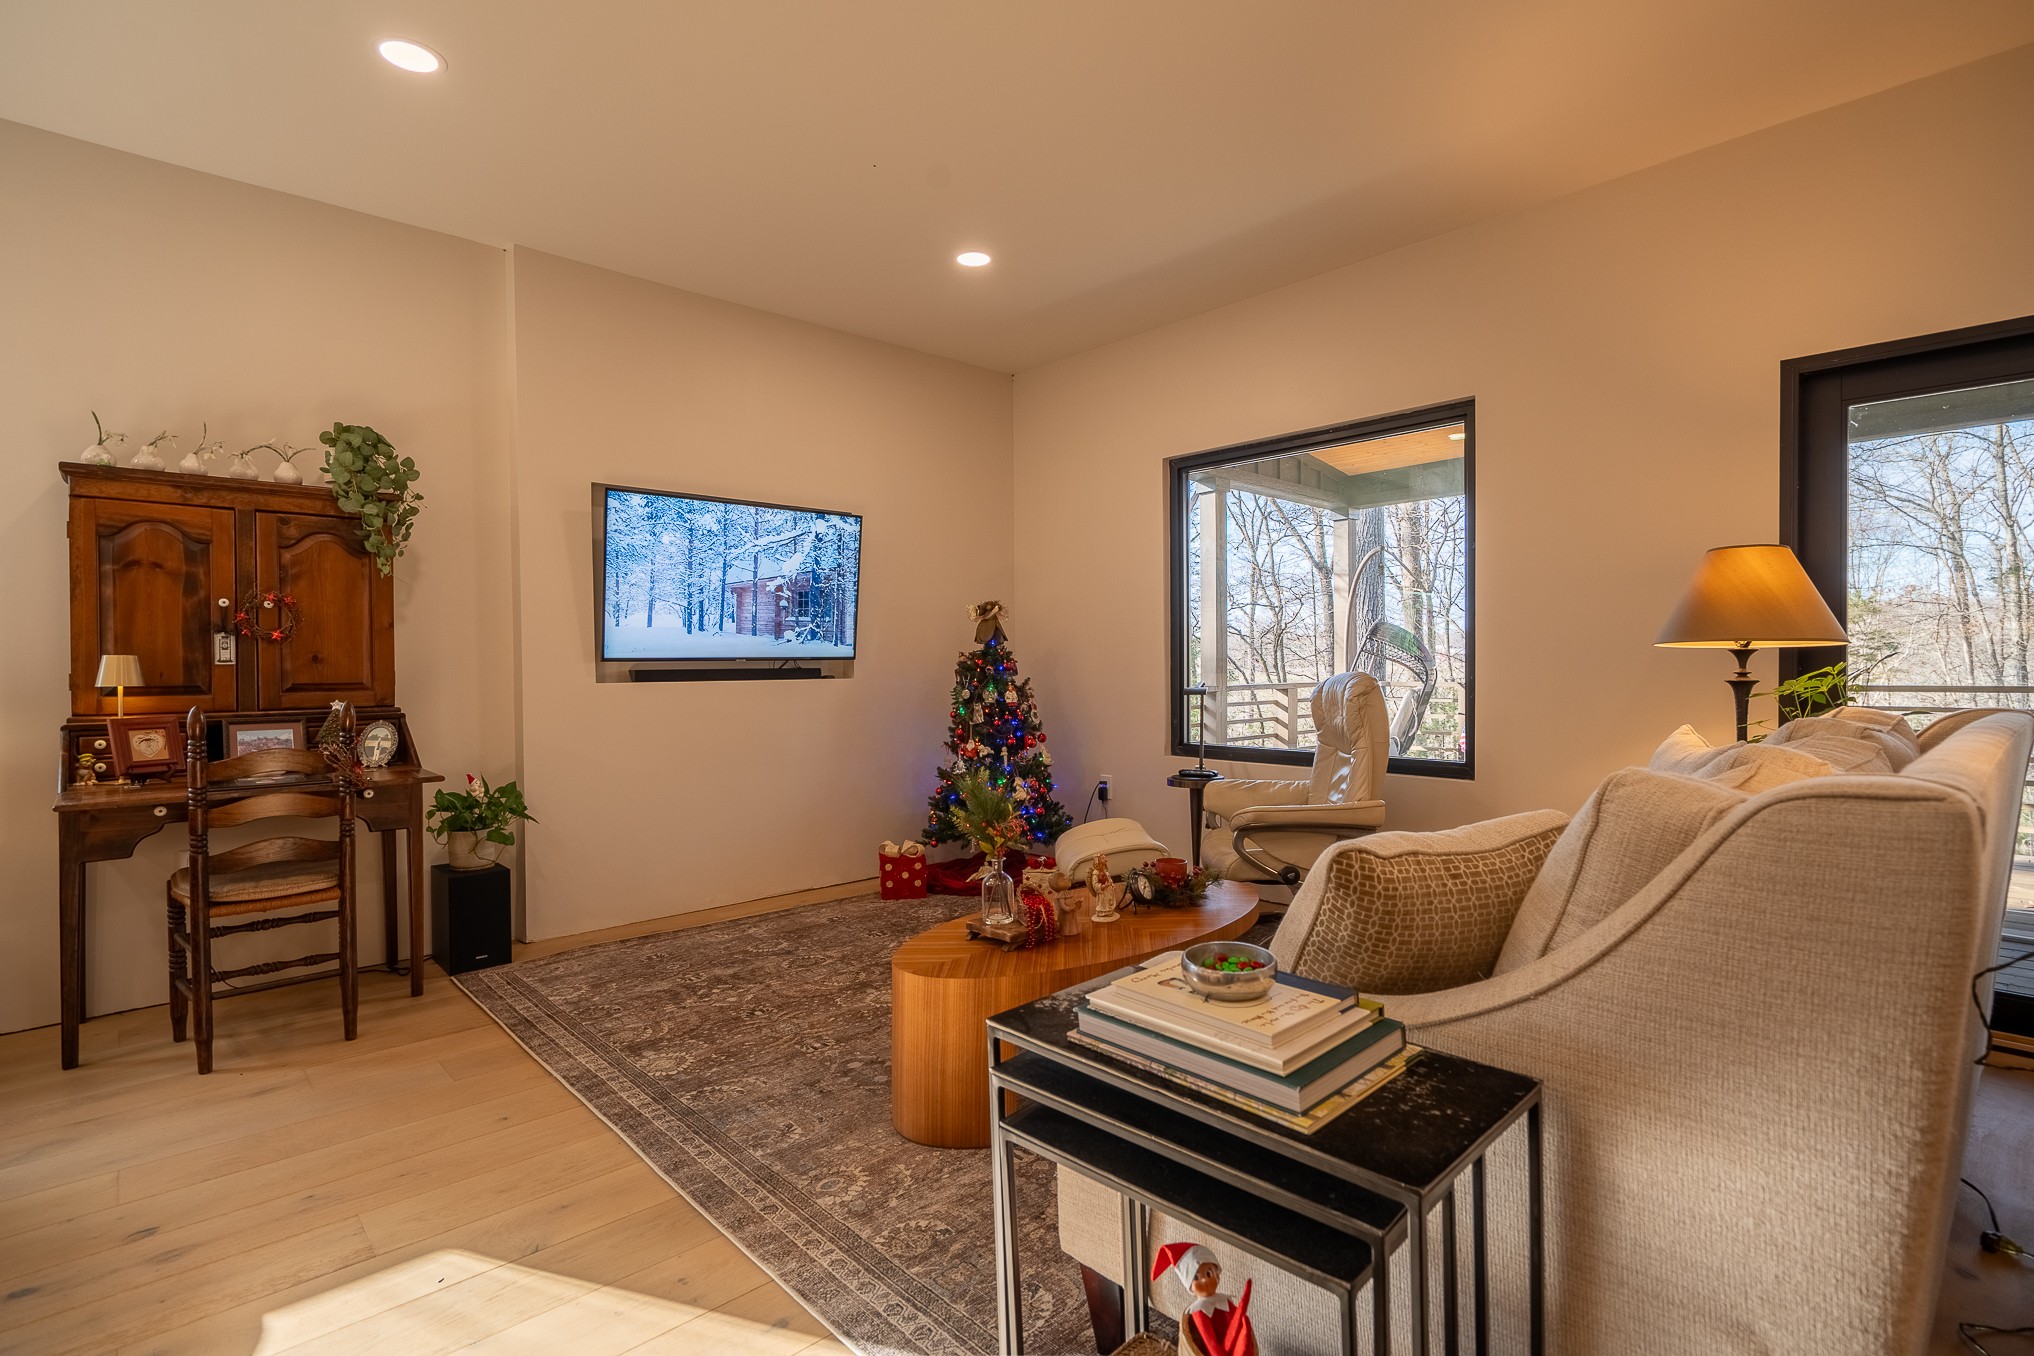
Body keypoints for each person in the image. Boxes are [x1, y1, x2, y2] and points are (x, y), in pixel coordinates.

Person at [1150, 1241, 1256, 1356]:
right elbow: (1209, 1340)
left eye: (1208, 1274)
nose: (1204, 1280)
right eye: (1196, 1277)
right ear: (1190, 1287)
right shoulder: (1198, 1311)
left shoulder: (1225, 1302)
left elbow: (1235, 1325)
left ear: (1218, 1277)